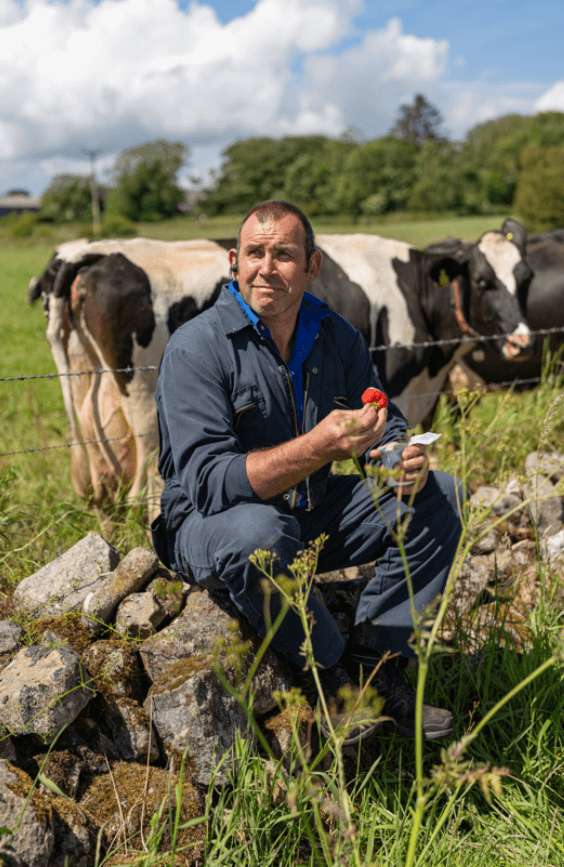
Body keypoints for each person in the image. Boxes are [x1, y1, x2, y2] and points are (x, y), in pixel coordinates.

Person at [151, 199, 464, 744]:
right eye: (254, 252)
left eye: (284, 255)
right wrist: (319, 447)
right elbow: (208, 484)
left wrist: (394, 457)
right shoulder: (196, 348)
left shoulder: (335, 334)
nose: (266, 267)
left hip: (308, 509)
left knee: (442, 494)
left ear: (312, 267)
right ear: (233, 260)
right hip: (208, 525)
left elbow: (381, 418)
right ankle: (330, 679)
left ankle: (378, 666)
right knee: (260, 533)